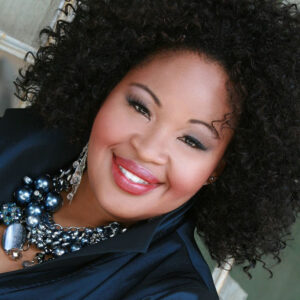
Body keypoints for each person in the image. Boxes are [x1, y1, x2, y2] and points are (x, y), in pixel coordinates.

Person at [0, 0, 299, 299]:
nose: (147, 149)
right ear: (107, 84)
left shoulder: (170, 293)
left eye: (192, 140)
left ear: (218, 168)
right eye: (140, 107)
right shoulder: (21, 140)